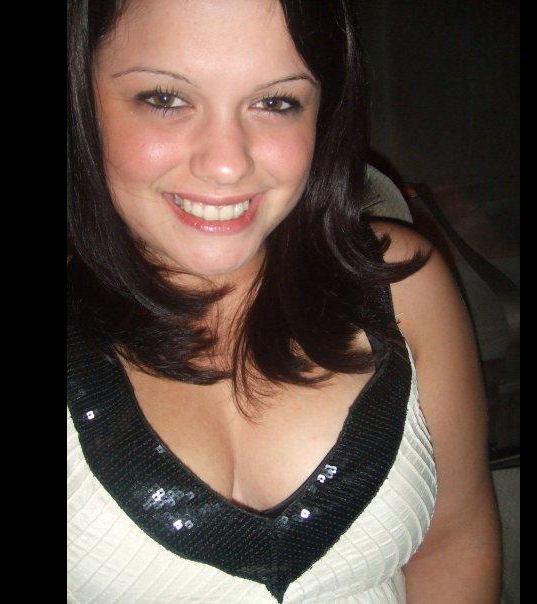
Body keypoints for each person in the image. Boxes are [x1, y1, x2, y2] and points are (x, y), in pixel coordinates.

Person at [67, 0, 502, 602]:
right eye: (165, 99)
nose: (227, 164)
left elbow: (454, 545)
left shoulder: (400, 284)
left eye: (275, 103)